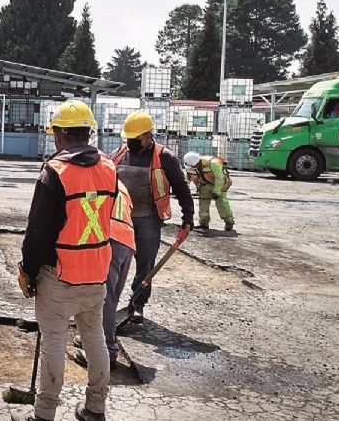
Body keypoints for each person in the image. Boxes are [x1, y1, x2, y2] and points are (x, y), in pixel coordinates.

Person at [15, 100, 115, 421]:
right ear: (88, 133)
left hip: (60, 275)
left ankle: (44, 414)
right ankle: (95, 408)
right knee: (95, 337)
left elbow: (38, 231)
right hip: (97, 271)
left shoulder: (55, 172)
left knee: (54, 342)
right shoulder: (110, 168)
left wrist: (26, 270)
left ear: (58, 136)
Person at [110, 111, 193, 326]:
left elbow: (182, 189)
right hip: (120, 221)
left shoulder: (164, 157)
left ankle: (137, 305)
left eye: (135, 138)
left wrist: (188, 218)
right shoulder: (118, 154)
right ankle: (106, 305)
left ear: (148, 135)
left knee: (145, 265)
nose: (130, 143)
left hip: (148, 220)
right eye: (128, 138)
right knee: (112, 264)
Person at [74, 179, 135, 372]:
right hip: (126, 242)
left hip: (106, 241)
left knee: (102, 300)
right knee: (110, 298)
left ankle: (107, 351)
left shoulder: (93, 183)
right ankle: (90, 339)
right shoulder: (121, 186)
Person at [183, 152, 234, 231]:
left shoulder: (213, 163)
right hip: (205, 184)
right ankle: (203, 223)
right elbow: (187, 180)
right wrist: (184, 192)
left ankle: (229, 222)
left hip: (219, 183)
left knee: (221, 202)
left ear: (196, 163)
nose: (191, 168)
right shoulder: (189, 167)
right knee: (203, 203)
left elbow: (219, 178)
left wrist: (217, 191)